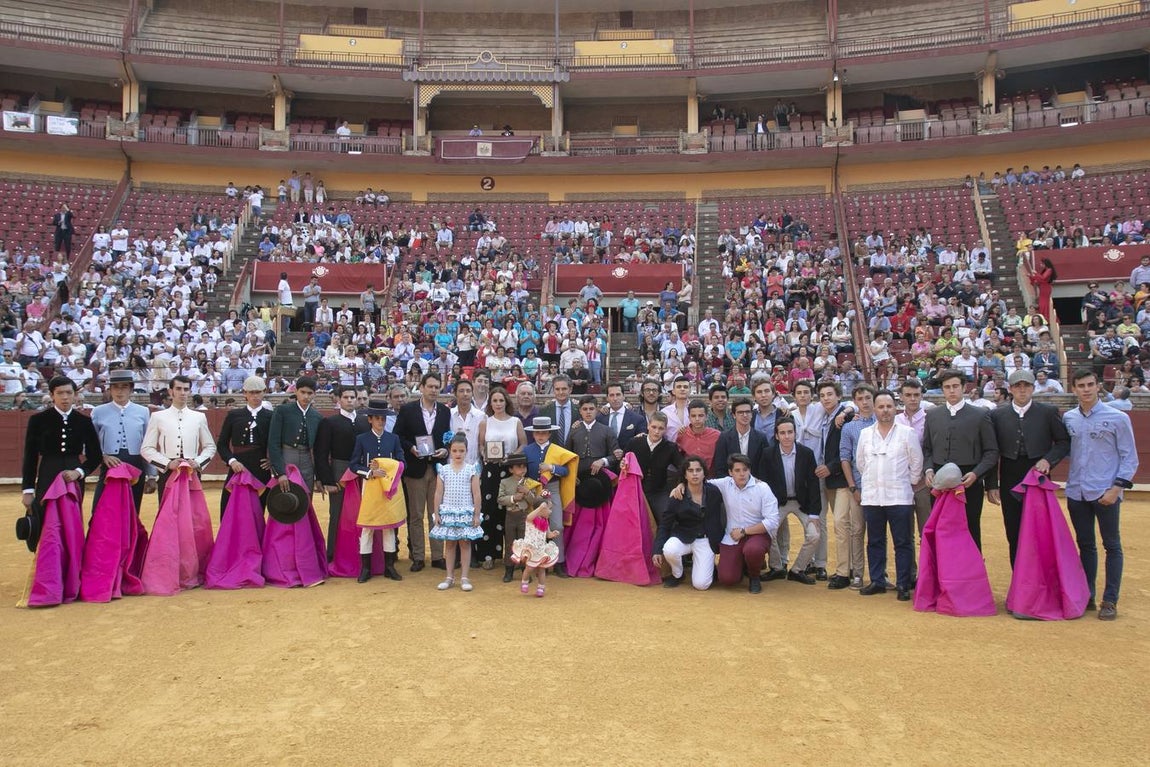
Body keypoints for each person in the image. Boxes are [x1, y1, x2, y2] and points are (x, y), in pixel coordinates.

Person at [1063, 368, 1138, 621]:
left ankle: (1110, 600)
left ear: (1098, 386)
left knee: (1112, 545)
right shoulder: (1069, 418)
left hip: (1106, 491)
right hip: (1076, 491)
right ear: (1073, 389)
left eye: (1090, 385)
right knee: (1085, 545)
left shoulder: (1117, 417)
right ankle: (1088, 595)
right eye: (1081, 386)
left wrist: (1116, 489)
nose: (1086, 389)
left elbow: (1130, 457)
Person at [20, 376, 103, 603]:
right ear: (52, 395)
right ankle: (49, 577)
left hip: (73, 480)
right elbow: (29, 458)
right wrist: (28, 489)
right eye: (60, 393)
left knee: (71, 526)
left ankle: (70, 576)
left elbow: (95, 456)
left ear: (75, 395)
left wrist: (79, 472)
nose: (65, 398)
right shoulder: (38, 420)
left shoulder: (84, 422)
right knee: (50, 529)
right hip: (47, 476)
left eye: (69, 393)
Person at [987, 370, 1071, 569]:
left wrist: (1048, 460)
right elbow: (991, 451)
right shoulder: (998, 414)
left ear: (1033, 388)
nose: (1022, 390)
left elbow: (1063, 442)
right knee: (1013, 529)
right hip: (1010, 476)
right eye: (1018, 386)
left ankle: (1042, 579)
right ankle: (1019, 581)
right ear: (1010, 389)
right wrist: (991, 484)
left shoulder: (1048, 411)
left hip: (1038, 476)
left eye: (1026, 386)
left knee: (1040, 529)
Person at [674, 453, 779, 594]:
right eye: (737, 470)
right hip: (732, 537)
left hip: (757, 534)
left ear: (749, 470)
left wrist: (744, 531)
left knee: (753, 550)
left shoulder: (763, 488)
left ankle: (754, 577)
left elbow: (772, 521)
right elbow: (700, 482)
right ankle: (741, 564)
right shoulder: (724, 484)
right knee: (727, 579)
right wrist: (682, 484)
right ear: (730, 472)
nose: (742, 474)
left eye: (745, 469)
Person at [855, 391, 923, 601]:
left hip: (899, 496)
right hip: (873, 497)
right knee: (875, 540)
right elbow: (861, 463)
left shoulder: (907, 433)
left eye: (889, 406)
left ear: (896, 408)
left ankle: (903, 583)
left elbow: (916, 463)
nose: (885, 410)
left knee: (902, 542)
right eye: (881, 407)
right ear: (874, 409)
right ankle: (877, 580)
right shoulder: (866, 434)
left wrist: (907, 483)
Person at [922, 370, 999, 551]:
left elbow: (991, 452)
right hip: (939, 482)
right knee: (941, 529)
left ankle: (972, 577)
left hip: (969, 481)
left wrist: (976, 473)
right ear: (942, 390)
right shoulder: (933, 415)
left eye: (955, 386)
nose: (952, 391)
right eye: (947, 387)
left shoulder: (980, 415)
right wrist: (928, 470)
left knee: (970, 528)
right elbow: (927, 449)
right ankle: (944, 576)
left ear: (964, 388)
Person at [393, 372, 452, 571]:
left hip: (437, 468)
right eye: (431, 386)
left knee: (436, 514)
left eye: (437, 387)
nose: (434, 390)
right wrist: (411, 448)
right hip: (415, 468)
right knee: (416, 515)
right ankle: (418, 556)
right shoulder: (408, 410)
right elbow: (398, 436)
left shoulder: (445, 411)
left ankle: (437, 556)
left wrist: (446, 449)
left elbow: (448, 437)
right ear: (422, 387)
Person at [347, 398, 406, 583]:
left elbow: (402, 461)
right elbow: (353, 464)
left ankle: (389, 567)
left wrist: (389, 469)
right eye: (377, 418)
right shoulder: (362, 439)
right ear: (370, 419)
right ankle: (366, 568)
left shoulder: (393, 438)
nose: (381, 421)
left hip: (389, 486)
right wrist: (370, 471)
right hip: (370, 486)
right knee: (367, 527)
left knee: (389, 527)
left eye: (383, 418)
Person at [563, 394, 620, 577]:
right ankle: (574, 559)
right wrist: (572, 477)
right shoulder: (574, 431)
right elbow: (567, 457)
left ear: (597, 410)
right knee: (578, 527)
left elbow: (615, 455)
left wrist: (603, 461)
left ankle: (596, 561)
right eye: (585, 409)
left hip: (599, 485)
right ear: (580, 411)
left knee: (599, 525)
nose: (588, 412)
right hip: (580, 485)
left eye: (591, 409)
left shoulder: (607, 430)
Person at [760, 418, 820, 584]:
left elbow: (814, 484)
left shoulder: (806, 453)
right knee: (768, 533)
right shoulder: (768, 454)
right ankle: (777, 568)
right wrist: (766, 509)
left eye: (790, 432)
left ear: (795, 433)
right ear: (777, 436)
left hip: (802, 503)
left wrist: (815, 513)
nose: (787, 436)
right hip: (777, 503)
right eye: (782, 433)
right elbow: (763, 483)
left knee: (814, 535)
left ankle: (797, 569)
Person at [313, 384, 368, 561]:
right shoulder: (329, 422)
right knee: (337, 512)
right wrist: (327, 480)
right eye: (346, 397)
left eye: (353, 397)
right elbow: (321, 453)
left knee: (363, 512)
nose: (350, 400)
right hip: (339, 470)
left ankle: (363, 553)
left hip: (362, 471)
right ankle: (333, 555)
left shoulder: (363, 421)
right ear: (339, 399)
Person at [653, 455, 725, 590]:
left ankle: (707, 566)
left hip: (705, 539)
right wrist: (657, 549)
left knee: (701, 585)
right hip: (683, 537)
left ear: (704, 473)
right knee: (669, 549)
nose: (695, 474)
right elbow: (665, 525)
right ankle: (678, 574)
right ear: (685, 475)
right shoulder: (677, 495)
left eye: (698, 470)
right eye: (691, 471)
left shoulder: (714, 492)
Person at [90, 369, 156, 513]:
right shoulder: (98, 412)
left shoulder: (143, 411)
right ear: (110, 390)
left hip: (136, 465)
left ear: (131, 389)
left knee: (132, 510)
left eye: (124, 387)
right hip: (110, 465)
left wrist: (152, 474)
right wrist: (103, 456)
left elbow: (148, 444)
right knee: (99, 510)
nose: (120, 391)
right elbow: (91, 443)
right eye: (115, 387)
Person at [141, 375, 216, 500]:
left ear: (190, 392)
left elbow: (210, 446)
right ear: (171, 391)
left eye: (186, 389)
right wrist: (167, 463)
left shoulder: (199, 417)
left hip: (191, 471)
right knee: (168, 515)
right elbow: (146, 448)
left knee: (191, 513)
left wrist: (197, 462)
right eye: (179, 389)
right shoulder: (158, 417)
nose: (182, 393)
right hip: (168, 471)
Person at [832, 384, 876, 590]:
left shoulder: (886, 421)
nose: (865, 402)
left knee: (878, 533)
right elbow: (845, 458)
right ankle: (858, 573)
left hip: (883, 487)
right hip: (859, 486)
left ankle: (878, 572)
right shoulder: (850, 427)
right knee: (857, 530)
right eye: (861, 399)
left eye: (868, 397)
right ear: (855, 402)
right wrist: (853, 487)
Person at [476, 386, 525, 569]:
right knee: (489, 513)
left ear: (506, 402)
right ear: (491, 403)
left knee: (510, 513)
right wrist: (485, 454)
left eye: (501, 400)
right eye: (494, 401)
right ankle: (488, 555)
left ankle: (513, 555)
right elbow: (481, 445)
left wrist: (511, 457)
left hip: (510, 472)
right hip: (490, 472)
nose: (498, 404)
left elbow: (523, 444)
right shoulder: (485, 423)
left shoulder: (515, 422)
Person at [429, 434, 483, 592]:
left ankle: (464, 577)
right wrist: (437, 513)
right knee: (450, 544)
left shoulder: (471, 469)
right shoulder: (443, 470)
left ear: (467, 451)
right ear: (449, 451)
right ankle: (449, 577)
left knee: (465, 544)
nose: (458, 454)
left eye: (461, 450)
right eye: (454, 451)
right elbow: (438, 493)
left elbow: (477, 494)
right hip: (448, 512)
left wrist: (476, 514)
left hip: (466, 512)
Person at [624, 411, 684, 525]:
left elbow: (682, 467)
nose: (657, 431)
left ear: (665, 429)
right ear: (648, 426)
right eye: (654, 427)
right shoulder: (634, 443)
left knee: (667, 518)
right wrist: (623, 466)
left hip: (658, 492)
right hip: (636, 491)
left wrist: (681, 483)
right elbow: (622, 463)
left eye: (661, 428)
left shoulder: (670, 447)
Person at [267, 377, 323, 495]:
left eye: (309, 393)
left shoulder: (317, 416)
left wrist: (319, 476)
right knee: (286, 498)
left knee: (305, 498)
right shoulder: (282, 411)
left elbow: (319, 450)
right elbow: (273, 443)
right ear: (296, 391)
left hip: (307, 459)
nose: (306, 396)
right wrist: (280, 472)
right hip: (287, 457)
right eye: (302, 392)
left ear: (314, 395)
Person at [510, 489, 560, 598]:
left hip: (541, 549)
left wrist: (553, 534)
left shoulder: (545, 522)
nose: (550, 512)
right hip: (531, 549)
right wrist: (540, 507)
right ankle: (524, 581)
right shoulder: (531, 519)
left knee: (542, 569)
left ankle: (541, 587)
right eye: (549, 509)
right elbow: (529, 517)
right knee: (529, 568)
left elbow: (547, 534)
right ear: (540, 509)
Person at [711, 397, 766, 479]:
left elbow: (765, 467)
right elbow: (720, 467)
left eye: (747, 412)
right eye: (740, 412)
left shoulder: (761, 437)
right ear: (733, 415)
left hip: (755, 486)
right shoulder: (724, 438)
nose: (745, 415)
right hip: (731, 487)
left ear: (752, 414)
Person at [676, 400, 721, 474]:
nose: (697, 419)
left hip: (711, 478)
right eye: (693, 416)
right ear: (689, 417)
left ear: (706, 417)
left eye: (700, 415)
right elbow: (679, 458)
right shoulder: (682, 434)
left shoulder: (717, 435)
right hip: (690, 477)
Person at [598, 382, 646, 448]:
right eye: (612, 395)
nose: (615, 398)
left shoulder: (637, 419)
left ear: (623, 396)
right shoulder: (599, 418)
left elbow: (642, 442)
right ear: (607, 398)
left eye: (618, 395)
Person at [539, 374, 574, 445]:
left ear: (570, 390)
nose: (561, 392)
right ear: (553, 390)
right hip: (552, 453)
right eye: (557, 389)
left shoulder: (579, 410)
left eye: (564, 389)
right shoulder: (544, 411)